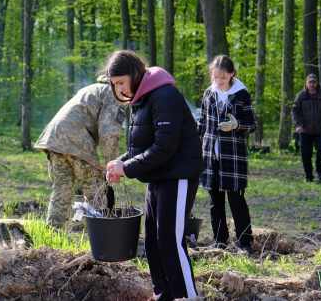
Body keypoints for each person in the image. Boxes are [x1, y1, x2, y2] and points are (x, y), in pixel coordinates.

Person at [105, 50, 202, 300]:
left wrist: (127, 168)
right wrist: (120, 161)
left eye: (121, 82)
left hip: (177, 176)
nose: (120, 89)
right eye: (115, 85)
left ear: (135, 74)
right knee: (153, 242)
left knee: (171, 241)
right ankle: (164, 293)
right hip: (158, 178)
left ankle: (185, 297)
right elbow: (140, 148)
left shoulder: (164, 95)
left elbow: (164, 147)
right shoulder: (142, 99)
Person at [35, 75, 124, 228]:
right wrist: (113, 165)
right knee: (95, 190)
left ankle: (53, 232)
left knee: (61, 188)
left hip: (55, 139)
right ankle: (102, 238)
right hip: (77, 141)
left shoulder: (90, 89)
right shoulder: (111, 93)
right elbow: (109, 134)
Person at [198, 55, 256, 253]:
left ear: (231, 74)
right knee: (215, 202)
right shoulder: (208, 93)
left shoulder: (241, 94)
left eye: (222, 78)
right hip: (210, 155)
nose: (218, 81)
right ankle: (220, 241)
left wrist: (236, 125)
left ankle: (245, 242)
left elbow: (251, 124)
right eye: (215, 77)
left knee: (236, 200)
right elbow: (202, 124)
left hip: (233, 156)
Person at [292, 73, 321, 182]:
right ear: (306, 83)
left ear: (317, 83)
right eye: (310, 82)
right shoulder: (301, 96)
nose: (312, 84)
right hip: (304, 130)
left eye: (314, 82)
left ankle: (319, 169)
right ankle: (309, 175)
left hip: (319, 130)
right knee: (306, 154)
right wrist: (298, 125)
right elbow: (295, 111)